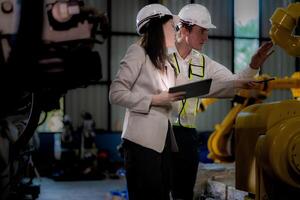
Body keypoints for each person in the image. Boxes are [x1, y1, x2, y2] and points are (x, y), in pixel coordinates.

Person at [169, 4, 274, 200]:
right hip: (161, 132)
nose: (206, 38)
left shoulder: (204, 62)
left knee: (182, 194)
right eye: (202, 31)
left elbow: (234, 83)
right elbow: (165, 93)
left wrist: (253, 65)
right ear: (184, 30)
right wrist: (209, 88)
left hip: (187, 136)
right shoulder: (162, 57)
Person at [109, 4, 185, 200]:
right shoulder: (137, 52)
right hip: (141, 142)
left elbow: (171, 103)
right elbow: (116, 93)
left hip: (164, 140)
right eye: (171, 27)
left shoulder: (167, 64)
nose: (175, 31)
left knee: (162, 193)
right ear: (156, 27)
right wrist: (154, 99)